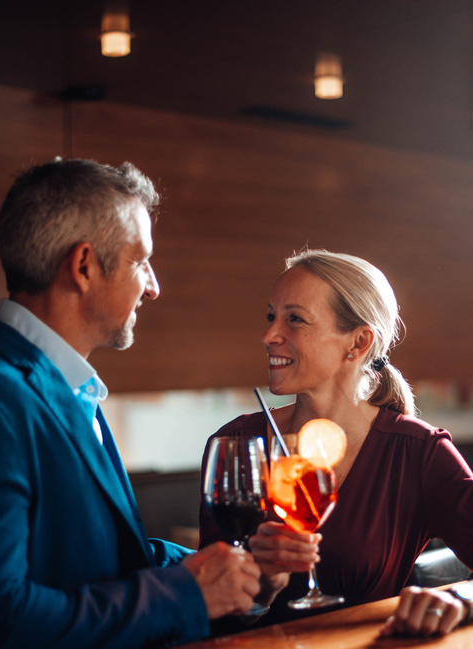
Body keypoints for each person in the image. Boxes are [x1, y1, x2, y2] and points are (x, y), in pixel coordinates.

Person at [0, 157, 265, 649]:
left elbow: (102, 557)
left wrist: (230, 564)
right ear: (84, 266)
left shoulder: (71, 388)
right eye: (140, 261)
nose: (151, 287)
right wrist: (186, 593)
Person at [199, 249, 473, 627]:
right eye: (271, 316)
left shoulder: (419, 453)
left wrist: (457, 597)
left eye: (294, 319)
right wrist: (259, 588)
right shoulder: (235, 444)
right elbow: (206, 614)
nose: (268, 336)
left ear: (358, 343)